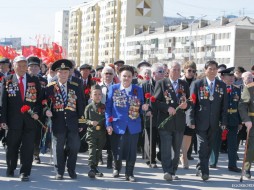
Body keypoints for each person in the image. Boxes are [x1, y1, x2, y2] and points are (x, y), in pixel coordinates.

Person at [0, 55, 42, 181]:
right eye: (20, 65)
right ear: (14, 66)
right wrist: (3, 120)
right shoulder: (7, 80)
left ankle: (25, 172)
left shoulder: (34, 80)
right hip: (13, 121)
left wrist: (36, 113)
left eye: (25, 65)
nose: (22, 68)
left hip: (30, 121)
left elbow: (39, 101)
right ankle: (11, 168)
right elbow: (3, 102)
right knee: (12, 146)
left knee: (28, 147)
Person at [105, 65, 148, 182]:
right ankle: (117, 167)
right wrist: (108, 125)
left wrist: (144, 108)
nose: (126, 78)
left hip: (133, 125)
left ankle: (129, 173)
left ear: (133, 77)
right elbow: (108, 108)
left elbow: (141, 105)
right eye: (124, 76)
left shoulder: (137, 89)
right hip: (117, 125)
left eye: (129, 76)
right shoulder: (114, 88)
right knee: (117, 149)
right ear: (119, 76)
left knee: (132, 151)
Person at [187, 60, 228, 181]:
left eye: (215, 69)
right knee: (203, 146)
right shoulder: (197, 84)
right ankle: (205, 171)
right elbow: (191, 103)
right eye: (210, 68)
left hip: (215, 122)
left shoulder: (222, 85)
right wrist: (190, 119)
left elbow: (224, 106)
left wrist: (224, 121)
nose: (212, 71)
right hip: (200, 121)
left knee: (209, 146)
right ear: (205, 70)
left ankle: (200, 167)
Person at [44, 59, 85, 180]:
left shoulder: (75, 86)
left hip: (72, 122)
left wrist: (81, 121)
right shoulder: (50, 88)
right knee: (58, 148)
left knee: (74, 146)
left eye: (65, 72)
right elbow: (44, 103)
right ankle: (59, 171)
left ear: (69, 73)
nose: (63, 75)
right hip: (58, 122)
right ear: (56, 73)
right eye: (60, 72)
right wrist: (46, 111)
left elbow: (81, 104)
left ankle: (71, 169)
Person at [153, 60, 190, 181]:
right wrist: (167, 107)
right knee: (166, 148)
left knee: (176, 147)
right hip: (165, 121)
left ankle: (173, 170)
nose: (177, 72)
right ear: (168, 70)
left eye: (179, 70)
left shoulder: (184, 84)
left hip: (179, 122)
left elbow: (188, 101)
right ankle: (167, 171)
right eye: (174, 69)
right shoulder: (162, 83)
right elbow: (155, 101)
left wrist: (186, 106)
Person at [219, 67, 242, 172]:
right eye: (229, 75)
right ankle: (212, 163)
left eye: (233, 75)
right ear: (223, 77)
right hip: (220, 119)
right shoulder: (218, 88)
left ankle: (232, 165)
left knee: (232, 144)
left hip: (233, 119)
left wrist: (240, 121)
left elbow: (240, 107)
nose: (232, 78)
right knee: (215, 141)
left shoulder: (237, 89)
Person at [142, 63, 165, 168]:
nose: (163, 74)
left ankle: (161, 156)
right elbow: (141, 100)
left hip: (162, 115)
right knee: (150, 138)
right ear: (154, 73)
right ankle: (151, 160)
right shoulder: (145, 85)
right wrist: (145, 110)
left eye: (164, 72)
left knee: (162, 139)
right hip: (150, 115)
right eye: (161, 72)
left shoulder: (165, 84)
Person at [27, 56, 48, 164]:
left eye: (36, 66)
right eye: (31, 66)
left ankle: (36, 154)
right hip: (26, 110)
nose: (34, 68)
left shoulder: (43, 80)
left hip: (39, 110)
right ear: (28, 67)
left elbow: (44, 97)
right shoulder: (25, 79)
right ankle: (26, 154)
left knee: (37, 134)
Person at [85, 85, 106, 178]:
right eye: (95, 94)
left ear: (102, 96)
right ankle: (91, 167)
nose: (97, 96)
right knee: (92, 149)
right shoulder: (88, 107)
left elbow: (107, 118)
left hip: (101, 132)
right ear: (91, 96)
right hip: (91, 132)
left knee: (99, 150)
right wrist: (90, 122)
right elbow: (83, 120)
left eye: (99, 94)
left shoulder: (104, 107)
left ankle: (95, 166)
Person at [180, 61, 197, 169]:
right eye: (189, 70)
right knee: (181, 135)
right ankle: (183, 155)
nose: (191, 73)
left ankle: (184, 154)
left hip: (192, 112)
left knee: (189, 135)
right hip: (181, 111)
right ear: (185, 70)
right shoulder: (181, 82)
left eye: (193, 71)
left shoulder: (197, 82)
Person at [99, 66, 115, 168]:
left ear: (113, 75)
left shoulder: (117, 87)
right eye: (106, 73)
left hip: (112, 115)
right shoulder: (98, 87)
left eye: (110, 73)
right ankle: (99, 158)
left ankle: (110, 160)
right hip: (100, 114)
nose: (108, 75)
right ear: (102, 75)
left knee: (111, 137)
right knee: (100, 136)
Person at [238, 80, 254, 179]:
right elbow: (242, 105)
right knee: (251, 147)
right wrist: (246, 120)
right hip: (253, 120)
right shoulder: (250, 88)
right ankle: (247, 167)